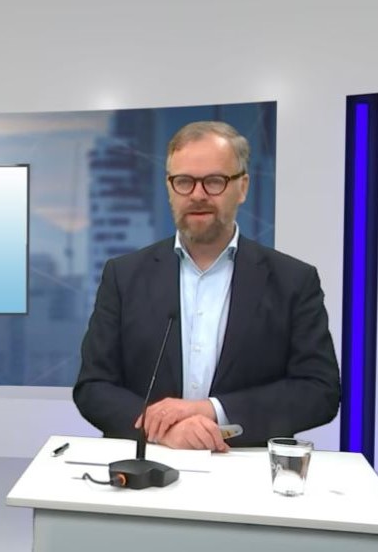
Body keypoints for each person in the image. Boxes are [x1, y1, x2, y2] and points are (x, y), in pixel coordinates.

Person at [74, 121, 340, 450]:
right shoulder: (123, 276)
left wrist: (211, 410)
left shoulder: (293, 281)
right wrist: (162, 430)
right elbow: (93, 387)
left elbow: (319, 392)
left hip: (245, 465)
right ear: (169, 188)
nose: (197, 195)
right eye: (184, 181)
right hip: (148, 460)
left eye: (214, 181)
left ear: (242, 187)